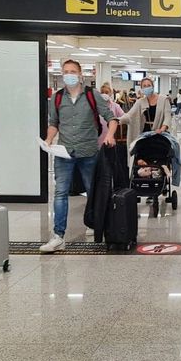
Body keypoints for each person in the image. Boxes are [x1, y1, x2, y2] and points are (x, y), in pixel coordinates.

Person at [41, 60, 117, 253]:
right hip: (64, 152)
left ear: (80, 74)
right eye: (66, 72)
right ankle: (58, 236)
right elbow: (53, 122)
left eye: (73, 71)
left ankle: (94, 223)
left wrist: (110, 135)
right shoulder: (57, 99)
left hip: (89, 151)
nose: (69, 75)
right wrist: (48, 140)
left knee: (93, 191)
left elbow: (111, 118)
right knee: (60, 193)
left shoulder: (92, 96)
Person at [120, 77, 171, 147]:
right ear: (141, 89)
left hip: (160, 133)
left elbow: (167, 117)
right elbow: (130, 115)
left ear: (153, 86)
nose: (147, 87)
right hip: (146, 132)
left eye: (149, 85)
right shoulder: (140, 101)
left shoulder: (164, 99)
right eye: (144, 86)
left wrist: (162, 129)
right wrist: (118, 120)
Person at [98, 83, 124, 147]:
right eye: (102, 92)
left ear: (110, 93)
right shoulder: (96, 106)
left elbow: (123, 117)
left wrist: (116, 121)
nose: (104, 94)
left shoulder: (115, 106)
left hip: (111, 135)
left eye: (106, 92)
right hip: (97, 137)